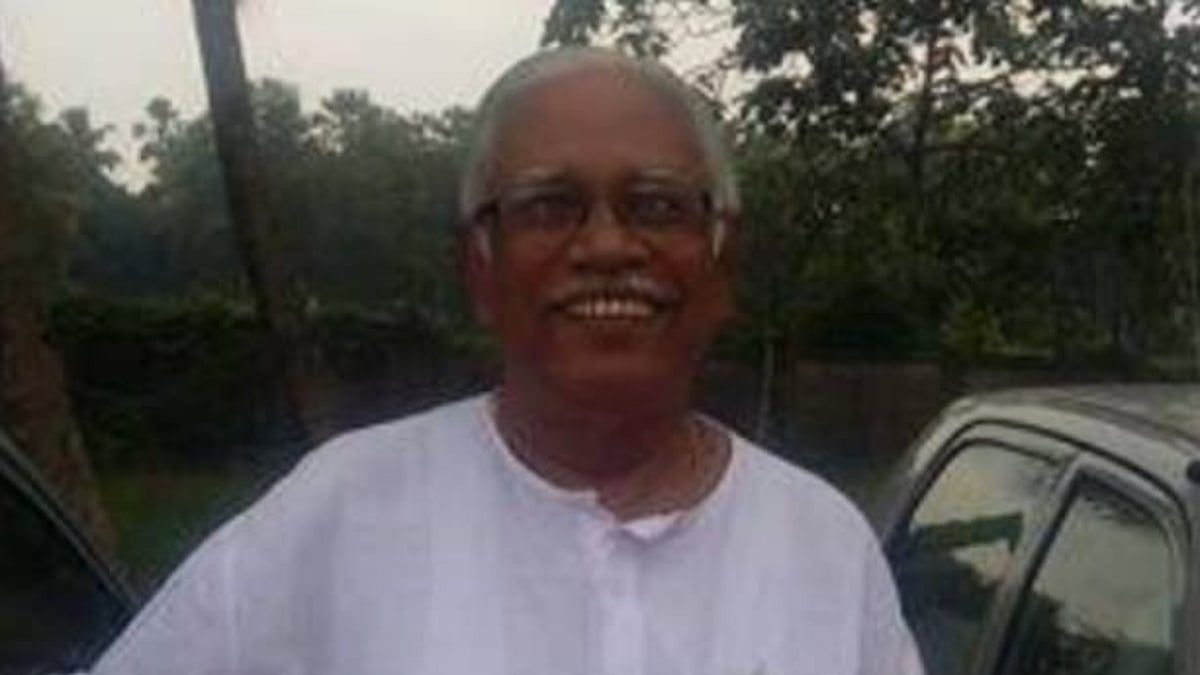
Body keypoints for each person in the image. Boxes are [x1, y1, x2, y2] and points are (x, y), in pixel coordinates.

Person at [90, 47, 923, 675]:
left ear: (721, 262)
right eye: (549, 206)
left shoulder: (822, 546)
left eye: (656, 205)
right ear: (480, 267)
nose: (607, 245)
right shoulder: (338, 515)